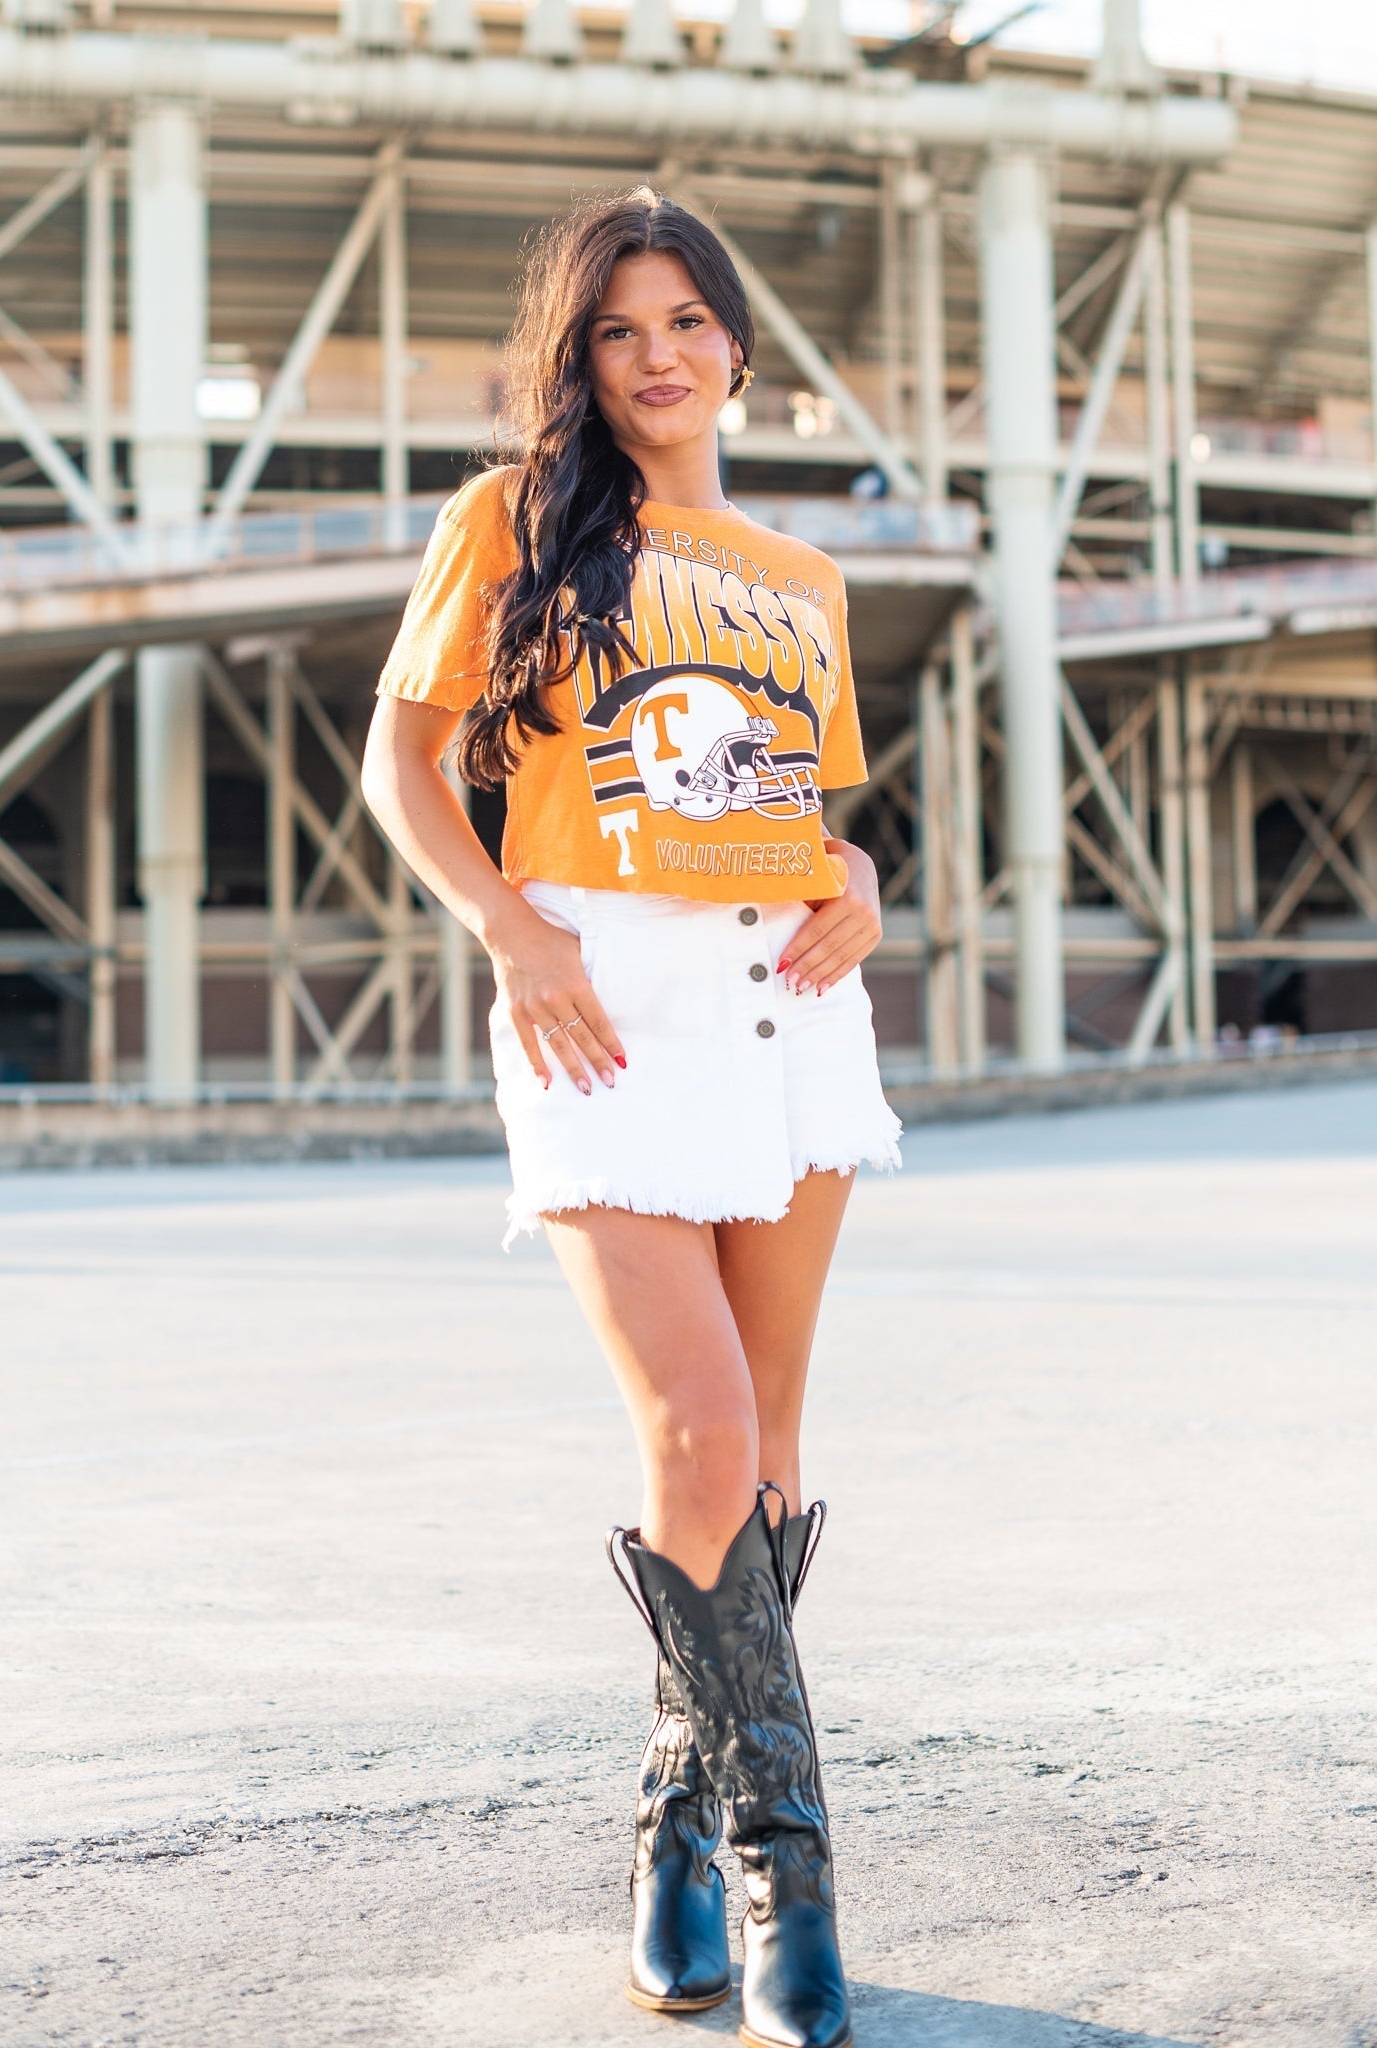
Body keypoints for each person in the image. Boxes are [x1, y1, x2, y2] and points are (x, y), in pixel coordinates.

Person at [361, 187, 900, 2048]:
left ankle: (681, 1820)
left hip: (792, 1009)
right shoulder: (512, 523)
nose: (658, 354)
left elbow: (803, 818)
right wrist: (511, 930)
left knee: (761, 1456)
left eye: (687, 321)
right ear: (579, 356)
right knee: (696, 1423)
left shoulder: (801, 579)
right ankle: (788, 1870)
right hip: (601, 1003)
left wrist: (866, 880)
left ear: (736, 345)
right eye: (619, 328)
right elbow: (405, 762)